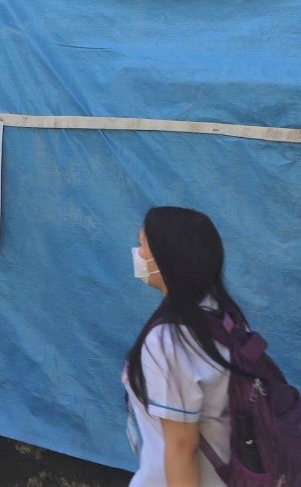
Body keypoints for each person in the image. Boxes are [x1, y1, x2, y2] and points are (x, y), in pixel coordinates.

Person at [123, 206, 240, 486]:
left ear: (166, 257)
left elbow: (182, 447)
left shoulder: (170, 341)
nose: (138, 254)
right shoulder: (220, 316)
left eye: (142, 245)